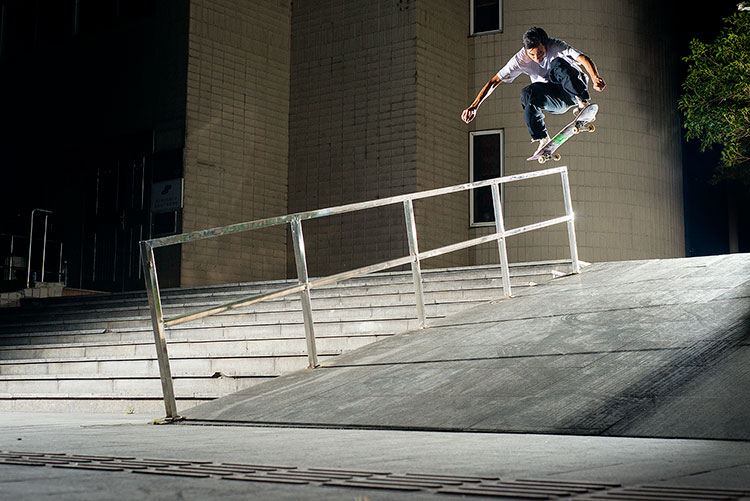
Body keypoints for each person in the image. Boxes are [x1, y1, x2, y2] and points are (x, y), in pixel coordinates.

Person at [462, 27, 606, 157]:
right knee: (527, 93)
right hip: (557, 100)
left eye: (541, 53)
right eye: (532, 55)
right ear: (526, 51)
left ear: (545, 44)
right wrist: (475, 105)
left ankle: (583, 103)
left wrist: (595, 77)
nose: (537, 59)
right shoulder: (519, 60)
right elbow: (494, 81)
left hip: (572, 88)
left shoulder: (556, 46)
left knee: (558, 64)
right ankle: (542, 138)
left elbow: (583, 58)